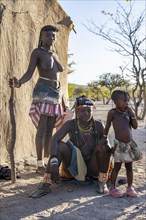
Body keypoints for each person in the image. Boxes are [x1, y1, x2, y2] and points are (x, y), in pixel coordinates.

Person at [9, 25, 68, 174]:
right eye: (48, 35)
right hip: (43, 92)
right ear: (41, 37)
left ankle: (48, 161)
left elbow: (59, 76)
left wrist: (62, 100)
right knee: (41, 130)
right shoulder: (37, 52)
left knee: (50, 130)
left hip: (56, 94)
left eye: (53, 36)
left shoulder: (55, 54)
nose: (51, 38)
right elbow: (29, 73)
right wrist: (19, 82)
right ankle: (39, 164)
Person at [30, 95, 112, 198]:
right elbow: (55, 140)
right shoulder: (70, 124)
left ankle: (102, 182)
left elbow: (107, 146)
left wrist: (111, 148)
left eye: (88, 111)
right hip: (74, 168)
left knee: (103, 147)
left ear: (92, 111)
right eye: (82, 111)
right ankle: (45, 184)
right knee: (60, 146)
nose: (86, 113)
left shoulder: (99, 125)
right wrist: (54, 162)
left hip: (93, 168)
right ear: (77, 112)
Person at [103, 90, 142, 198]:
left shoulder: (128, 112)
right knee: (117, 167)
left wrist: (132, 114)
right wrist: (104, 138)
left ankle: (129, 188)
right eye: (124, 100)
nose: (127, 102)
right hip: (119, 145)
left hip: (129, 144)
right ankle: (113, 188)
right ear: (115, 101)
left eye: (128, 100)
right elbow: (107, 126)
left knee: (129, 167)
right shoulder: (112, 112)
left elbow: (135, 126)